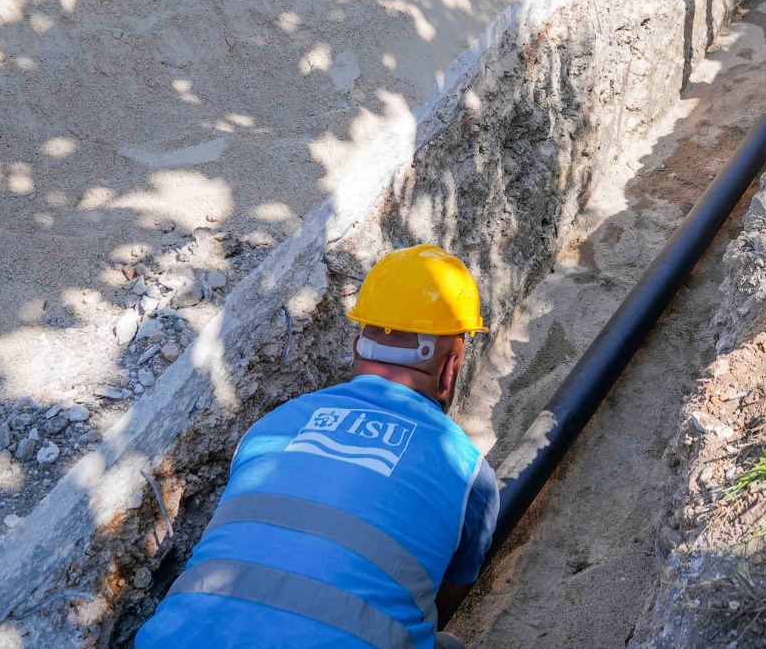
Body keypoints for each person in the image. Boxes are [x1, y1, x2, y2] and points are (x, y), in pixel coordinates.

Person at [135, 244, 497, 649]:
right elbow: (445, 595)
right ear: (449, 369)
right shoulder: (468, 474)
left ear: (359, 344)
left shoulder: (272, 425)